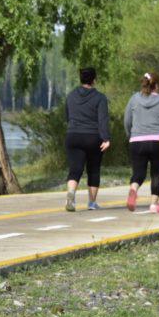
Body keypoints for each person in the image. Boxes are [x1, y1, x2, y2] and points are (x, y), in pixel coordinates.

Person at [124, 72, 159, 213]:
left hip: (137, 141)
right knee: (156, 174)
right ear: (156, 85)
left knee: (139, 173)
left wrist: (130, 135)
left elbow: (127, 120)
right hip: (157, 141)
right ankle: (154, 205)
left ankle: (133, 188)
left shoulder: (134, 99)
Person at [65, 67, 111, 212]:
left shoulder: (71, 95)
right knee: (93, 170)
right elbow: (102, 120)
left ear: (81, 79)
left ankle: (71, 194)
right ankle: (91, 203)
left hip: (73, 135)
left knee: (75, 169)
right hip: (92, 137)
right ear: (94, 80)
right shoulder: (100, 97)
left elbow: (67, 116)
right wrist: (106, 138)